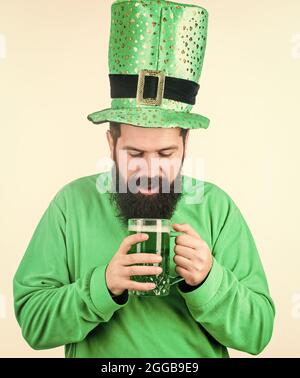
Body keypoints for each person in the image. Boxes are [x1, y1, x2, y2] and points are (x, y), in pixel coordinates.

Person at [13, 0, 275, 358]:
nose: (150, 170)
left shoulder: (217, 207)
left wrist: (210, 278)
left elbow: (258, 333)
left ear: (185, 145)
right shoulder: (72, 204)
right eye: (135, 154)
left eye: (165, 155)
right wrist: (102, 286)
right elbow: (33, 323)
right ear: (111, 143)